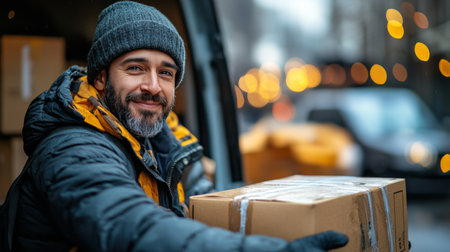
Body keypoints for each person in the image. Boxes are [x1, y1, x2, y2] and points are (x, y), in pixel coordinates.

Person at [7, 1, 348, 251]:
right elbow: (136, 230)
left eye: (166, 73)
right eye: (136, 68)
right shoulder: (73, 148)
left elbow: (213, 210)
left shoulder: (166, 143)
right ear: (100, 78)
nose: (153, 86)